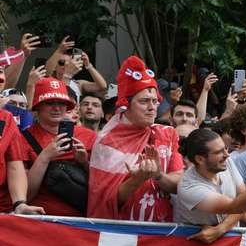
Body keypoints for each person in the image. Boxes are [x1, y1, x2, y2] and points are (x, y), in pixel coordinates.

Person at [87, 56, 185, 222]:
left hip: (163, 233)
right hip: (124, 235)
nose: (152, 107)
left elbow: (179, 185)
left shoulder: (167, 134)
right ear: (126, 105)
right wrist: (138, 178)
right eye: (144, 101)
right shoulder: (108, 141)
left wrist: (158, 175)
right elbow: (105, 201)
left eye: (155, 101)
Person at [174, 128, 246, 240]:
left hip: (228, 245)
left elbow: (242, 201)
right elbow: (238, 206)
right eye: (218, 152)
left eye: (225, 148)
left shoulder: (227, 163)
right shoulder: (189, 187)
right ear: (200, 159)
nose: (227, 155)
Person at [19, 77, 96, 216]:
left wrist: (84, 163)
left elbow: (104, 188)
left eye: (62, 103)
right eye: (50, 102)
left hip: (83, 220)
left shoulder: (89, 136)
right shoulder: (23, 138)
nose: (57, 107)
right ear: (38, 107)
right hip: (42, 219)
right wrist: (44, 157)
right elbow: (25, 195)